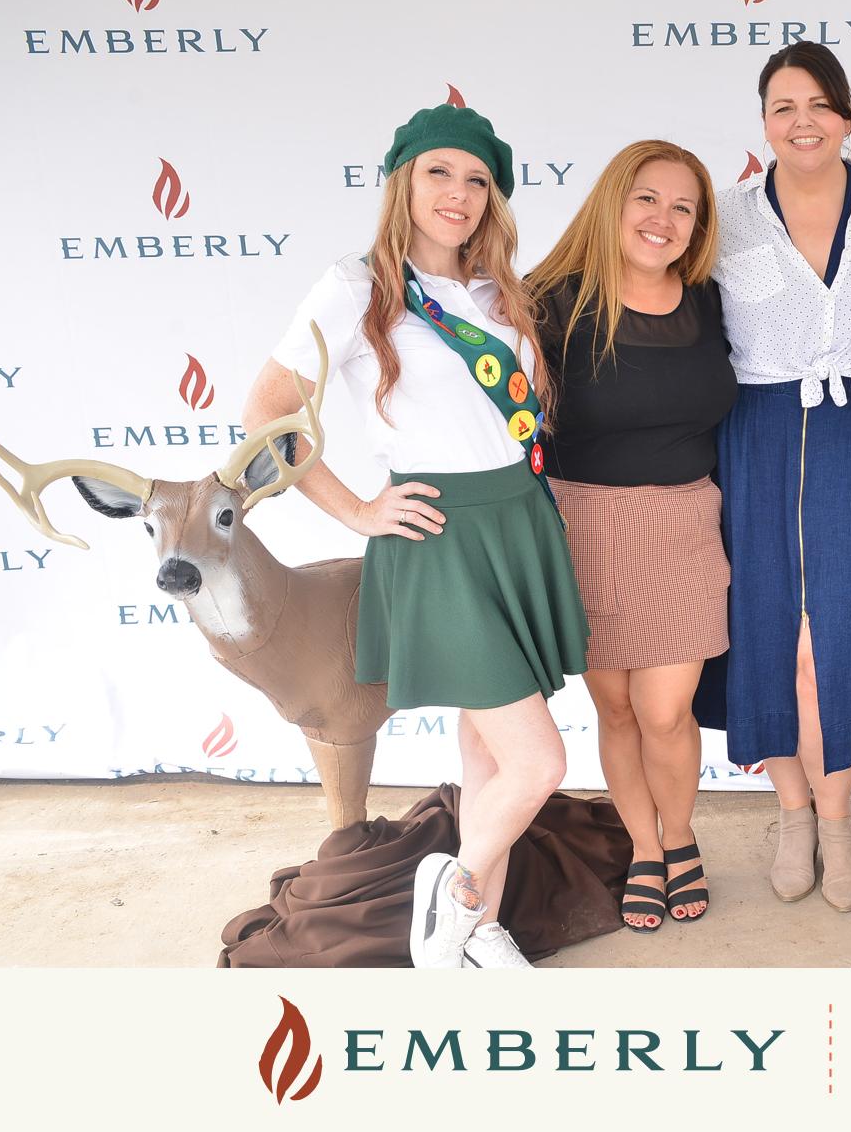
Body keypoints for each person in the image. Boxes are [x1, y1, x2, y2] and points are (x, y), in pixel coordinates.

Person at [245, 104, 588, 969]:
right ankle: (456, 893)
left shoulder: (495, 291)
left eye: (478, 181)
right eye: (440, 172)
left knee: (487, 759)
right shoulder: (355, 285)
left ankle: (480, 935)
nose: (460, 194)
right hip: (441, 542)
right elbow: (267, 410)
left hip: (517, 524)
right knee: (537, 762)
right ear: (404, 180)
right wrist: (357, 510)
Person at [699, 43, 851, 912]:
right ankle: (792, 812)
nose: (803, 121)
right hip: (753, 435)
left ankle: (838, 819)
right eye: (784, 106)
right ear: (763, 123)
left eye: (820, 105)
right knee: (770, 635)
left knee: (841, 639)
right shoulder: (725, 216)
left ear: (848, 117)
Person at [527, 141, 735, 934]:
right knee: (613, 709)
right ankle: (646, 848)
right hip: (581, 524)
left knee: (665, 711)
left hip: (683, 523)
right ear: (614, 202)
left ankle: (680, 835)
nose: (664, 219)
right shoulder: (551, 303)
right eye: (647, 199)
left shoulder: (710, 302)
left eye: (684, 207)